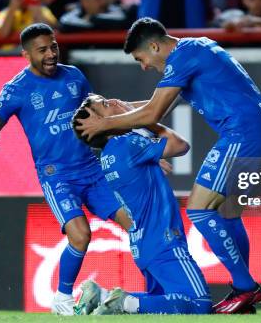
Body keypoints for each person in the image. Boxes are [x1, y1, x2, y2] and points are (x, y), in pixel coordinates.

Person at [76, 17, 261, 314]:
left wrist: (106, 122)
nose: (144, 66)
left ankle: (246, 288)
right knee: (226, 210)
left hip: (243, 132)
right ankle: (243, 291)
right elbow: (154, 104)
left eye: (141, 58)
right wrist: (118, 110)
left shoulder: (182, 58)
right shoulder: (195, 48)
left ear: (155, 45)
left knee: (200, 209)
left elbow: (153, 112)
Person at [0, 24, 130, 316]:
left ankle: (157, 292)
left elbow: (100, 118)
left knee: (135, 224)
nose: (51, 54)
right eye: (43, 50)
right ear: (25, 54)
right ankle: (63, 300)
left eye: (53, 46)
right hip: (58, 177)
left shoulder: (74, 77)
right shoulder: (15, 90)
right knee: (80, 235)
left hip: (92, 170)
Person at [70, 95, 212, 315]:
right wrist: (147, 118)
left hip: (144, 246)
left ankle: (104, 297)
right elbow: (180, 145)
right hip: (163, 242)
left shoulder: (111, 153)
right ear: (101, 126)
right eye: (106, 105)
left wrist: (149, 152)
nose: (116, 102)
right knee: (199, 304)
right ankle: (122, 302)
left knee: (162, 304)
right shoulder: (126, 144)